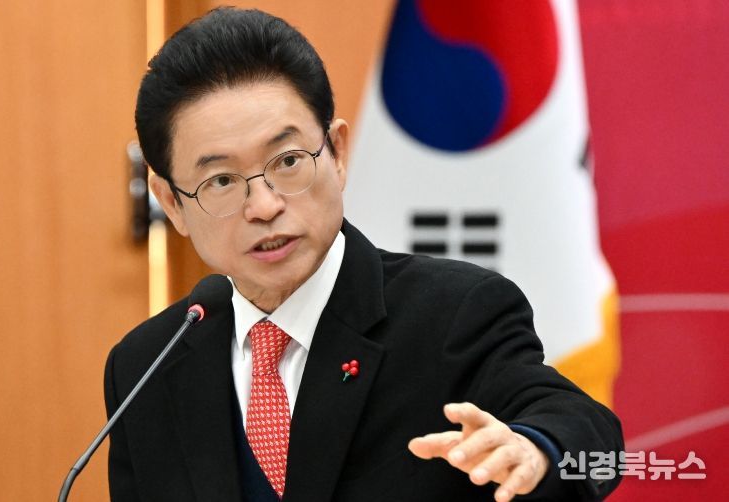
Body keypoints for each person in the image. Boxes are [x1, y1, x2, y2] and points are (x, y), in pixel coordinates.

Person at [105, 7, 623, 502]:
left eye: (288, 160)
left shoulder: (454, 315)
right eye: (221, 181)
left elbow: (589, 438)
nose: (263, 206)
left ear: (337, 152)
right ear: (172, 203)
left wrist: (536, 449)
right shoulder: (146, 367)